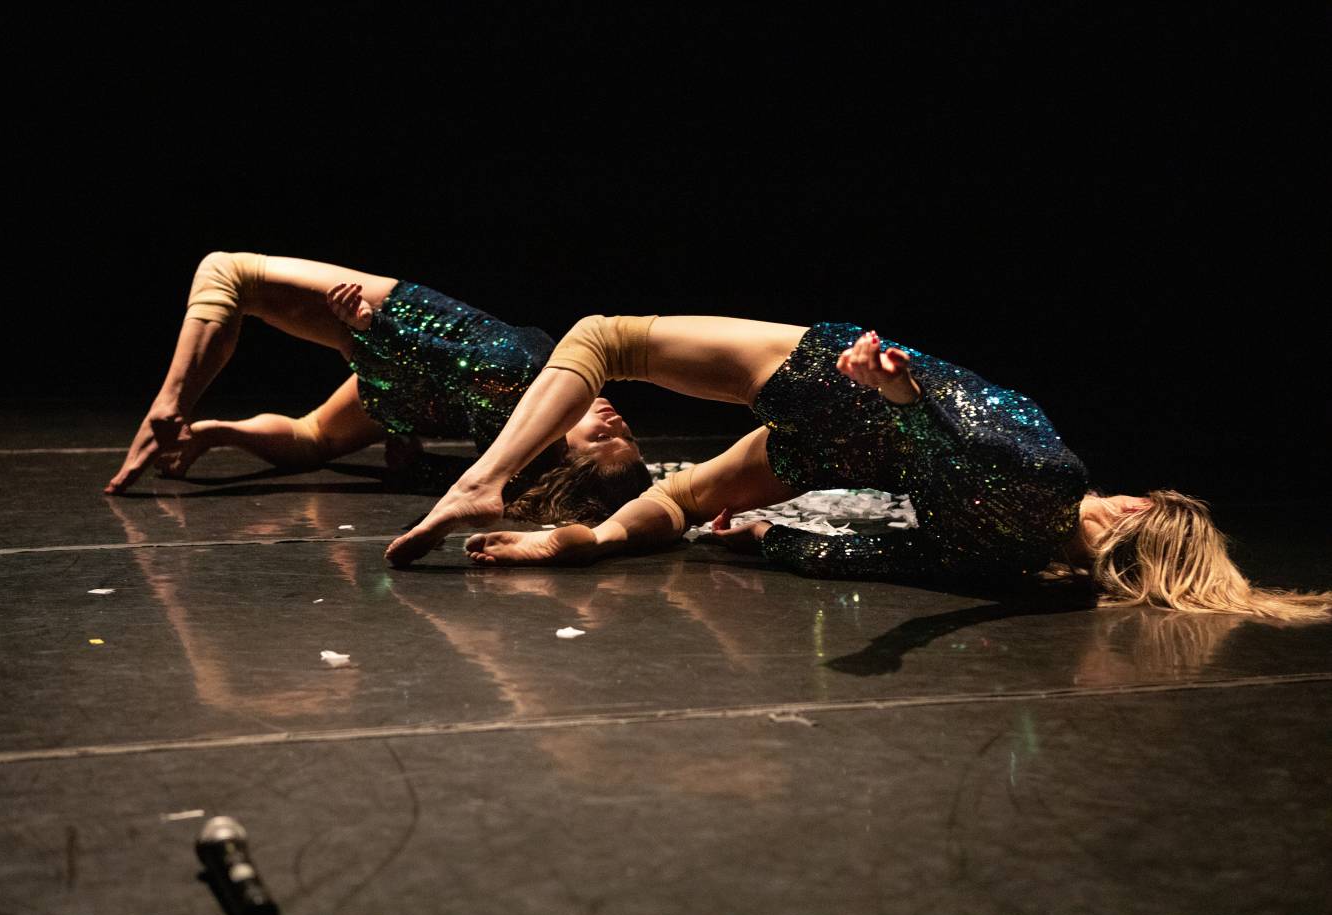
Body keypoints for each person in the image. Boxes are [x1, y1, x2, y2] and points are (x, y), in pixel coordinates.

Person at [393, 315, 1331, 623]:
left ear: (1129, 523)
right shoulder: (1021, 570)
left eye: (1141, 503)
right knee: (683, 497)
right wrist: (776, 532)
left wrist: (901, 398)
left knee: (605, 338)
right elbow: (883, 552)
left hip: (856, 397)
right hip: (851, 444)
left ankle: (484, 477)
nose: (1128, 493)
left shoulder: (1052, 479)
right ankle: (586, 540)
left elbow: (979, 445)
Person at [105, 254, 651, 523]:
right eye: (627, 433)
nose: (615, 421)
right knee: (313, 437)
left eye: (603, 440)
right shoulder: (518, 456)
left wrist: (373, 329)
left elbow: (450, 355)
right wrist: (420, 463)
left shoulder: (529, 375)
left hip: (411, 333)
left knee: (228, 272)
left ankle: (176, 409)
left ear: (559, 458)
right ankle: (218, 433)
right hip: (417, 386)